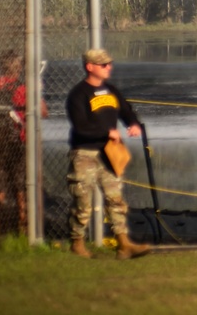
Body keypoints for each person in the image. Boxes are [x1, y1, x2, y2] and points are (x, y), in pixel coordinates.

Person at [65, 48, 150, 259]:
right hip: (85, 154)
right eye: (103, 65)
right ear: (90, 67)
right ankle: (77, 243)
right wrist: (107, 132)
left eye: (109, 64)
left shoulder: (111, 90)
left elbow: (125, 110)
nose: (108, 68)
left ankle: (124, 244)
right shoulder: (78, 95)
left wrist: (133, 123)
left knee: (116, 199)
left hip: (110, 154)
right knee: (83, 201)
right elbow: (80, 127)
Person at [0, 50, 45, 233]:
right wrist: (38, 92)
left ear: (1, 66)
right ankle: (23, 226)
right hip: (17, 143)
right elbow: (43, 112)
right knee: (20, 185)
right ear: (19, 68)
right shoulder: (22, 88)